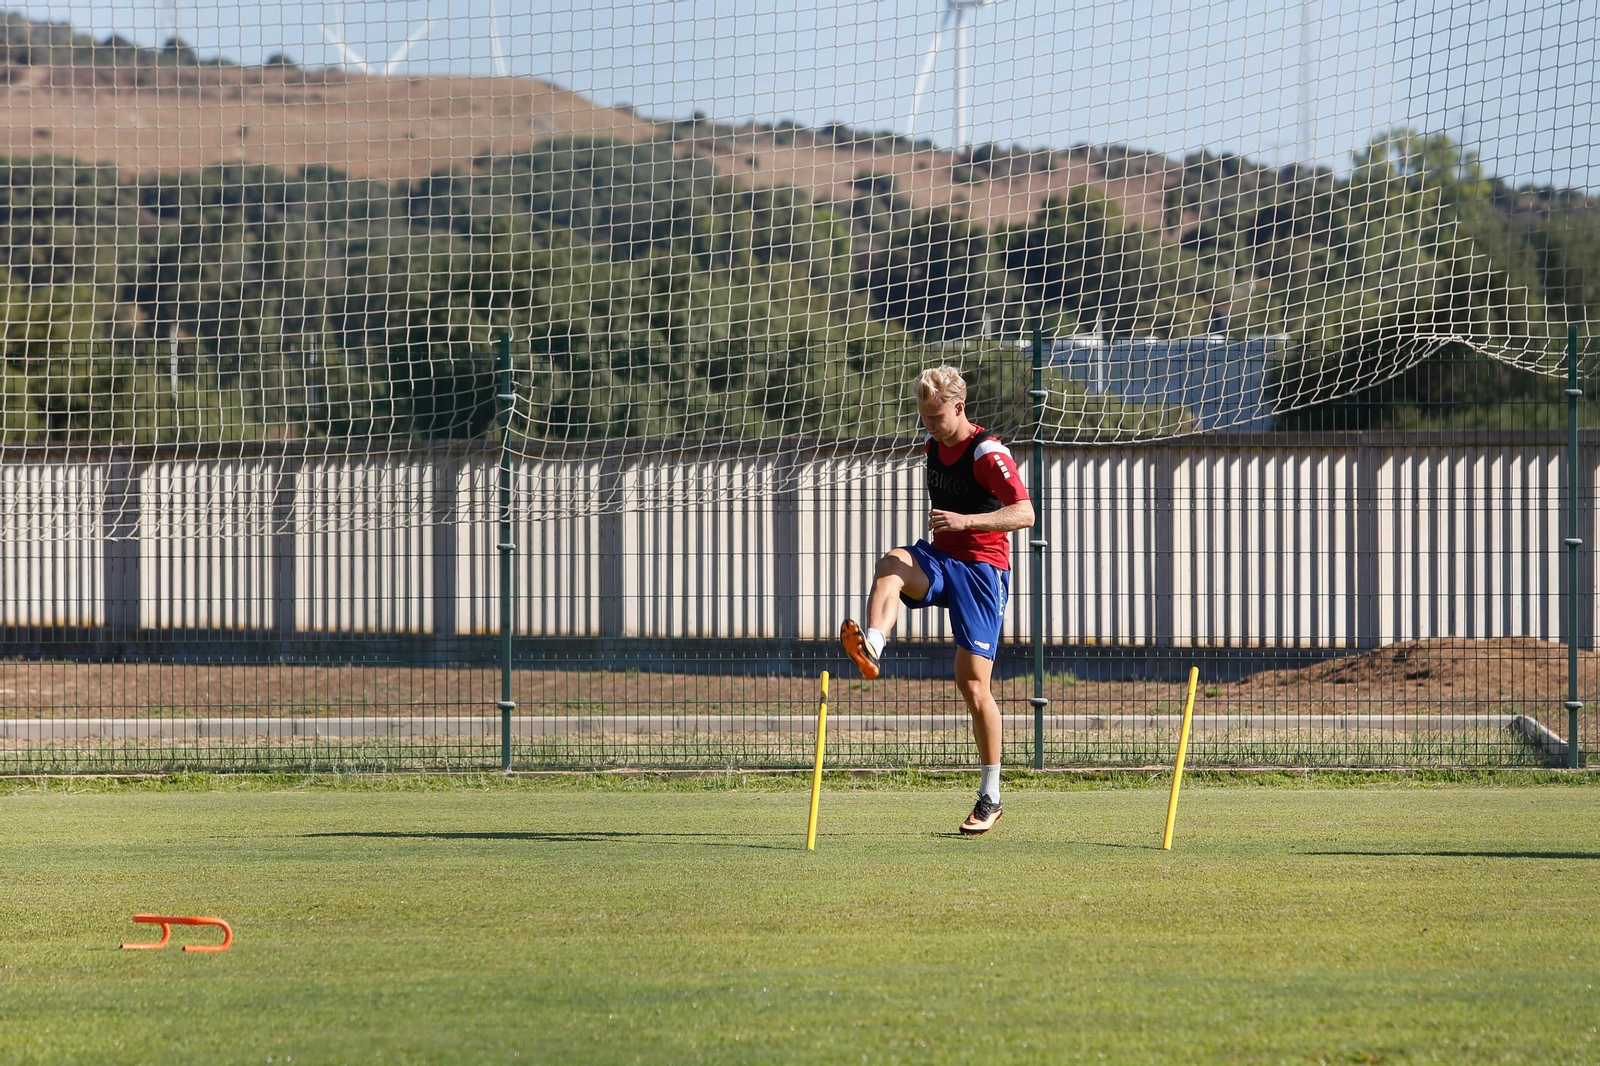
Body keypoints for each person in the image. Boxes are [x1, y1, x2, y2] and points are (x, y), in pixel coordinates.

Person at [840, 365, 1035, 835]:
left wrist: (965, 522)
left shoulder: (988, 453)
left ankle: (991, 795)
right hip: (940, 561)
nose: (929, 426)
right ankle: (872, 646)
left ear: (959, 407)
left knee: (972, 686)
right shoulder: (932, 445)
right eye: (924, 417)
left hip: (984, 573)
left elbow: (1025, 513)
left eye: (936, 416)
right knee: (889, 565)